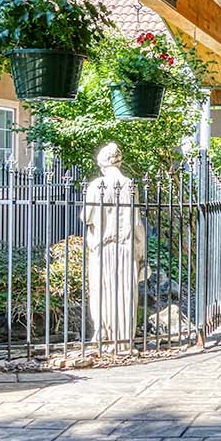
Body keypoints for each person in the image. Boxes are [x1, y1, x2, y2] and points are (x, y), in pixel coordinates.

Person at [83, 141, 144, 346]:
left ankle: (103, 334)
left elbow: (86, 217)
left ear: (101, 164)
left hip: (101, 247)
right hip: (126, 247)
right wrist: (142, 254)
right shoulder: (129, 185)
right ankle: (124, 338)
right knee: (125, 293)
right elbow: (137, 224)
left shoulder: (95, 186)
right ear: (119, 162)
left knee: (101, 291)